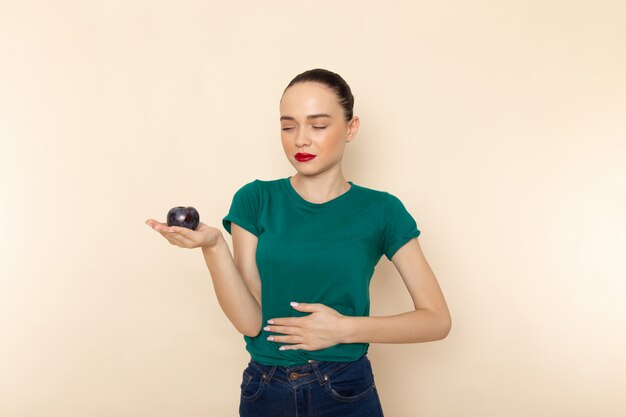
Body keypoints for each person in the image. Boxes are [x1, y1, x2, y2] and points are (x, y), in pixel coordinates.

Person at [145, 68, 451, 417]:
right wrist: (213, 246)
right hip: (266, 389)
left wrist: (345, 328)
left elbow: (436, 319)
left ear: (351, 128)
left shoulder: (382, 210)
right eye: (288, 126)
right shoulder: (255, 199)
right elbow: (250, 322)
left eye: (318, 126)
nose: (300, 140)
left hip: (345, 388)